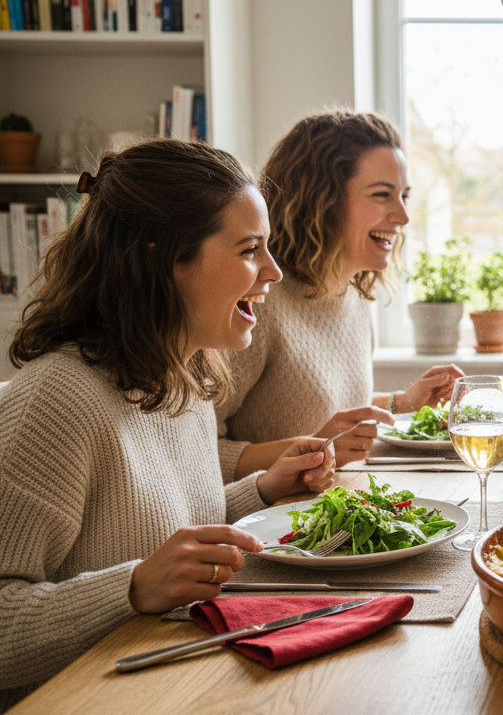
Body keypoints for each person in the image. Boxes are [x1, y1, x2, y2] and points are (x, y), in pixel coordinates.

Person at [0, 139, 336, 709]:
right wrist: (132, 589)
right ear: (163, 260)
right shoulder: (54, 401)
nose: (275, 272)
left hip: (181, 687)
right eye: (250, 249)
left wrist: (261, 490)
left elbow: (170, 523)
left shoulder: (185, 374)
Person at [215, 111, 463, 479]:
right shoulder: (259, 300)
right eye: (382, 195)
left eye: (404, 196)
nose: (403, 216)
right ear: (323, 199)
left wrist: (401, 402)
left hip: (341, 506)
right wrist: (313, 448)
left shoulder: (356, 295)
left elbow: (321, 410)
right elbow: (194, 452)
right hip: (277, 528)